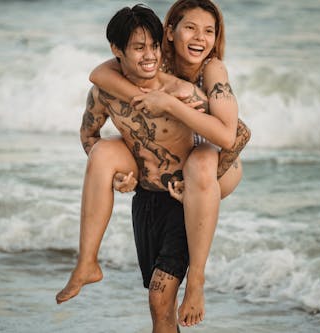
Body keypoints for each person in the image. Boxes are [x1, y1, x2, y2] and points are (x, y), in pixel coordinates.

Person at [89, 0, 250, 327]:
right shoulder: (154, 58)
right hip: (169, 177)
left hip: (219, 168)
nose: (200, 38)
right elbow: (99, 73)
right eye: (190, 27)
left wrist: (169, 104)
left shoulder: (212, 70)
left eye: (209, 31)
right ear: (170, 31)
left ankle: (198, 280)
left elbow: (236, 136)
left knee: (200, 164)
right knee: (159, 300)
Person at [58, 5, 217, 332]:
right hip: (144, 200)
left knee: (160, 300)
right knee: (160, 308)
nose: (150, 55)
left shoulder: (182, 93)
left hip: (180, 204)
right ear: (117, 51)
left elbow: (233, 135)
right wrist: (118, 176)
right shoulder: (105, 93)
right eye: (139, 47)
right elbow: (89, 134)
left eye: (155, 46)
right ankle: (87, 262)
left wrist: (206, 179)